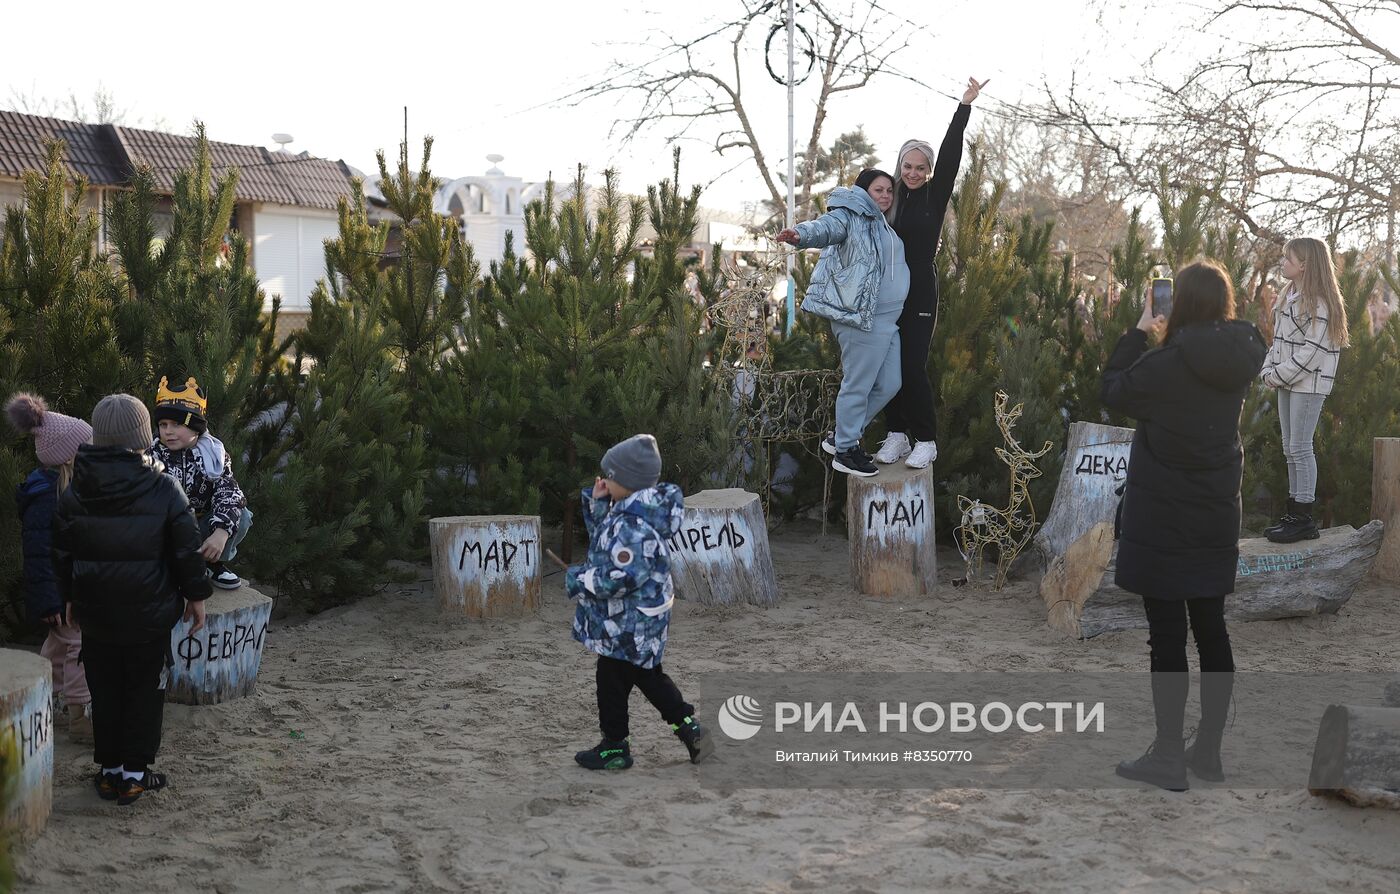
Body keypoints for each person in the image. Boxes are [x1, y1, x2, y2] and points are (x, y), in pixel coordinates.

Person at [1101, 261, 1267, 791]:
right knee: (1213, 630)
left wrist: (1138, 330)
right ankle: (1209, 754)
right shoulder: (1242, 355)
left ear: (1179, 303)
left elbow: (1112, 391)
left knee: (1167, 638)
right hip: (1216, 511)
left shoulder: (1166, 363)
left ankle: (1169, 753)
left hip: (1165, 515)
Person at [52, 393, 211, 805]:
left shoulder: (75, 491)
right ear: (143, 437)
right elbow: (185, 550)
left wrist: (69, 595)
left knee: (104, 690)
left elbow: (63, 551)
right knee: (144, 690)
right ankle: (135, 774)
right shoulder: (164, 489)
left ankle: (108, 771)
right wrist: (196, 597)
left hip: (97, 616)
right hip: (149, 619)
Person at [568, 434, 714, 770]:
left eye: (609, 477)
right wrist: (600, 501)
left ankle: (615, 746)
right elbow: (604, 538)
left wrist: (580, 580)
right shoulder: (633, 510)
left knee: (613, 678)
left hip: (629, 620)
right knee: (646, 675)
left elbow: (623, 577)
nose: (602, 480)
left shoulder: (635, 525)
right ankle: (692, 733)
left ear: (628, 482)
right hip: (639, 618)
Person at [872, 76, 988, 470]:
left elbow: (952, 152)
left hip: (920, 289)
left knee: (911, 365)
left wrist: (964, 106)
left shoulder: (934, 196)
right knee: (886, 365)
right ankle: (896, 434)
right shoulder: (889, 196)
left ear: (929, 170)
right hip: (887, 291)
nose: (914, 172)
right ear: (899, 165)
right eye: (908, 165)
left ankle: (926, 439)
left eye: (921, 167)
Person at [776, 169, 909, 477]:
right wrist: (801, 235)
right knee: (857, 385)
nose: (886, 196)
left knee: (891, 383)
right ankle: (846, 450)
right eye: (879, 190)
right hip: (863, 319)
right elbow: (826, 228)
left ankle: (842, 436)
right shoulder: (850, 215)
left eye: (889, 190)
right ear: (863, 191)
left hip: (888, 320)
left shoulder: (880, 223)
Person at [6, 392, 94, 742]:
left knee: (58, 647)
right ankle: (79, 716)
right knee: (79, 646)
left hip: (62, 591)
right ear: (69, 457)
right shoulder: (47, 497)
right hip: (58, 594)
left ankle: (43, 697)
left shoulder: (63, 490)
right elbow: (39, 556)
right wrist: (49, 601)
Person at [1259, 237, 1349, 543]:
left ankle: (1303, 518)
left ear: (1305, 265)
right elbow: (1278, 342)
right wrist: (1267, 370)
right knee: (1289, 448)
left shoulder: (1320, 303)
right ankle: (1293, 513)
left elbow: (1312, 352)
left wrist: (1278, 376)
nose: (1283, 262)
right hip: (1286, 380)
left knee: (1300, 447)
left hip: (1308, 384)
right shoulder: (1289, 295)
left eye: (1288, 258)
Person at [148, 376, 251, 589]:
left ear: (196, 427)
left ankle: (210, 562)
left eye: (176, 424)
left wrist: (221, 531)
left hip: (201, 525)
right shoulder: (152, 455)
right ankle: (169, 567)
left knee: (243, 515)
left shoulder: (214, 455)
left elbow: (229, 492)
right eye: (163, 424)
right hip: (166, 528)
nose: (167, 431)